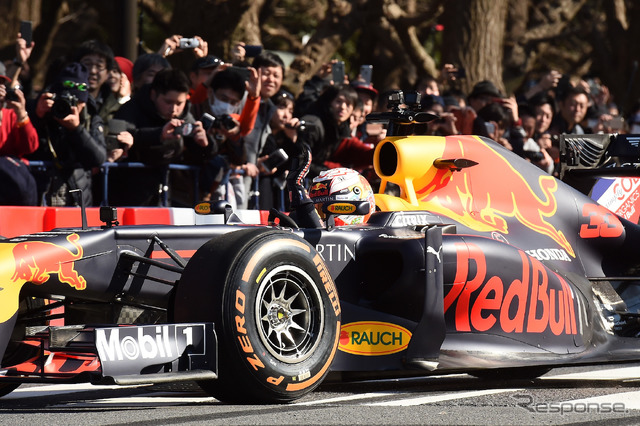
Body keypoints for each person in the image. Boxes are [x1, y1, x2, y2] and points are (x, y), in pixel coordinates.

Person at [112, 68, 207, 206]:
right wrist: (158, 135)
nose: (174, 109)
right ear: (153, 95)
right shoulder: (132, 108)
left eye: (179, 103)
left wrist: (204, 144)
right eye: (168, 102)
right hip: (130, 193)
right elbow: (122, 137)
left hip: (168, 194)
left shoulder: (185, 115)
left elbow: (200, 155)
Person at [27, 63, 107, 206]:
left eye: (78, 102)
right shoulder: (40, 112)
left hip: (77, 200)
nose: (72, 107)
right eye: (67, 102)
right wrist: (37, 117)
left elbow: (99, 158)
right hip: (42, 197)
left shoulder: (91, 118)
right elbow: (25, 147)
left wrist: (76, 129)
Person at [237, 50, 286, 208]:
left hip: (249, 178)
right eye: (266, 73)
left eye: (276, 75)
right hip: (233, 173)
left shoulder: (269, 107)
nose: (271, 80)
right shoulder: (241, 98)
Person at [299, 84, 374, 179]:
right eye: (338, 101)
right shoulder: (313, 125)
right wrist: (332, 174)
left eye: (348, 104)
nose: (343, 107)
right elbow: (300, 161)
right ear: (329, 101)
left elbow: (358, 153)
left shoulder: (340, 128)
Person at [0, 62, 39, 205]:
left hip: (14, 186)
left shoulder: (11, 115)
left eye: (2, 84)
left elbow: (30, 147)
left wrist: (22, 114)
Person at [256, 89, 301, 210]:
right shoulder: (259, 132)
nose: (286, 115)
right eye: (281, 108)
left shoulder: (287, 137)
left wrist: (293, 140)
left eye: (290, 111)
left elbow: (297, 162)